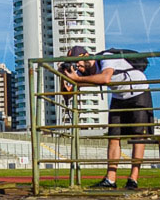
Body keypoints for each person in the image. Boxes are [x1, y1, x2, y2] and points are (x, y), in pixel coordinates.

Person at [61, 46, 152, 189]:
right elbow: (68, 94)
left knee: (138, 136)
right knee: (113, 137)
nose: (76, 66)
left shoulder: (106, 58)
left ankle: (133, 179)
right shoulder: (83, 72)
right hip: (119, 96)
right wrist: (64, 76)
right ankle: (110, 179)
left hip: (138, 92)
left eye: (77, 62)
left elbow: (105, 78)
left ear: (86, 56)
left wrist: (78, 79)